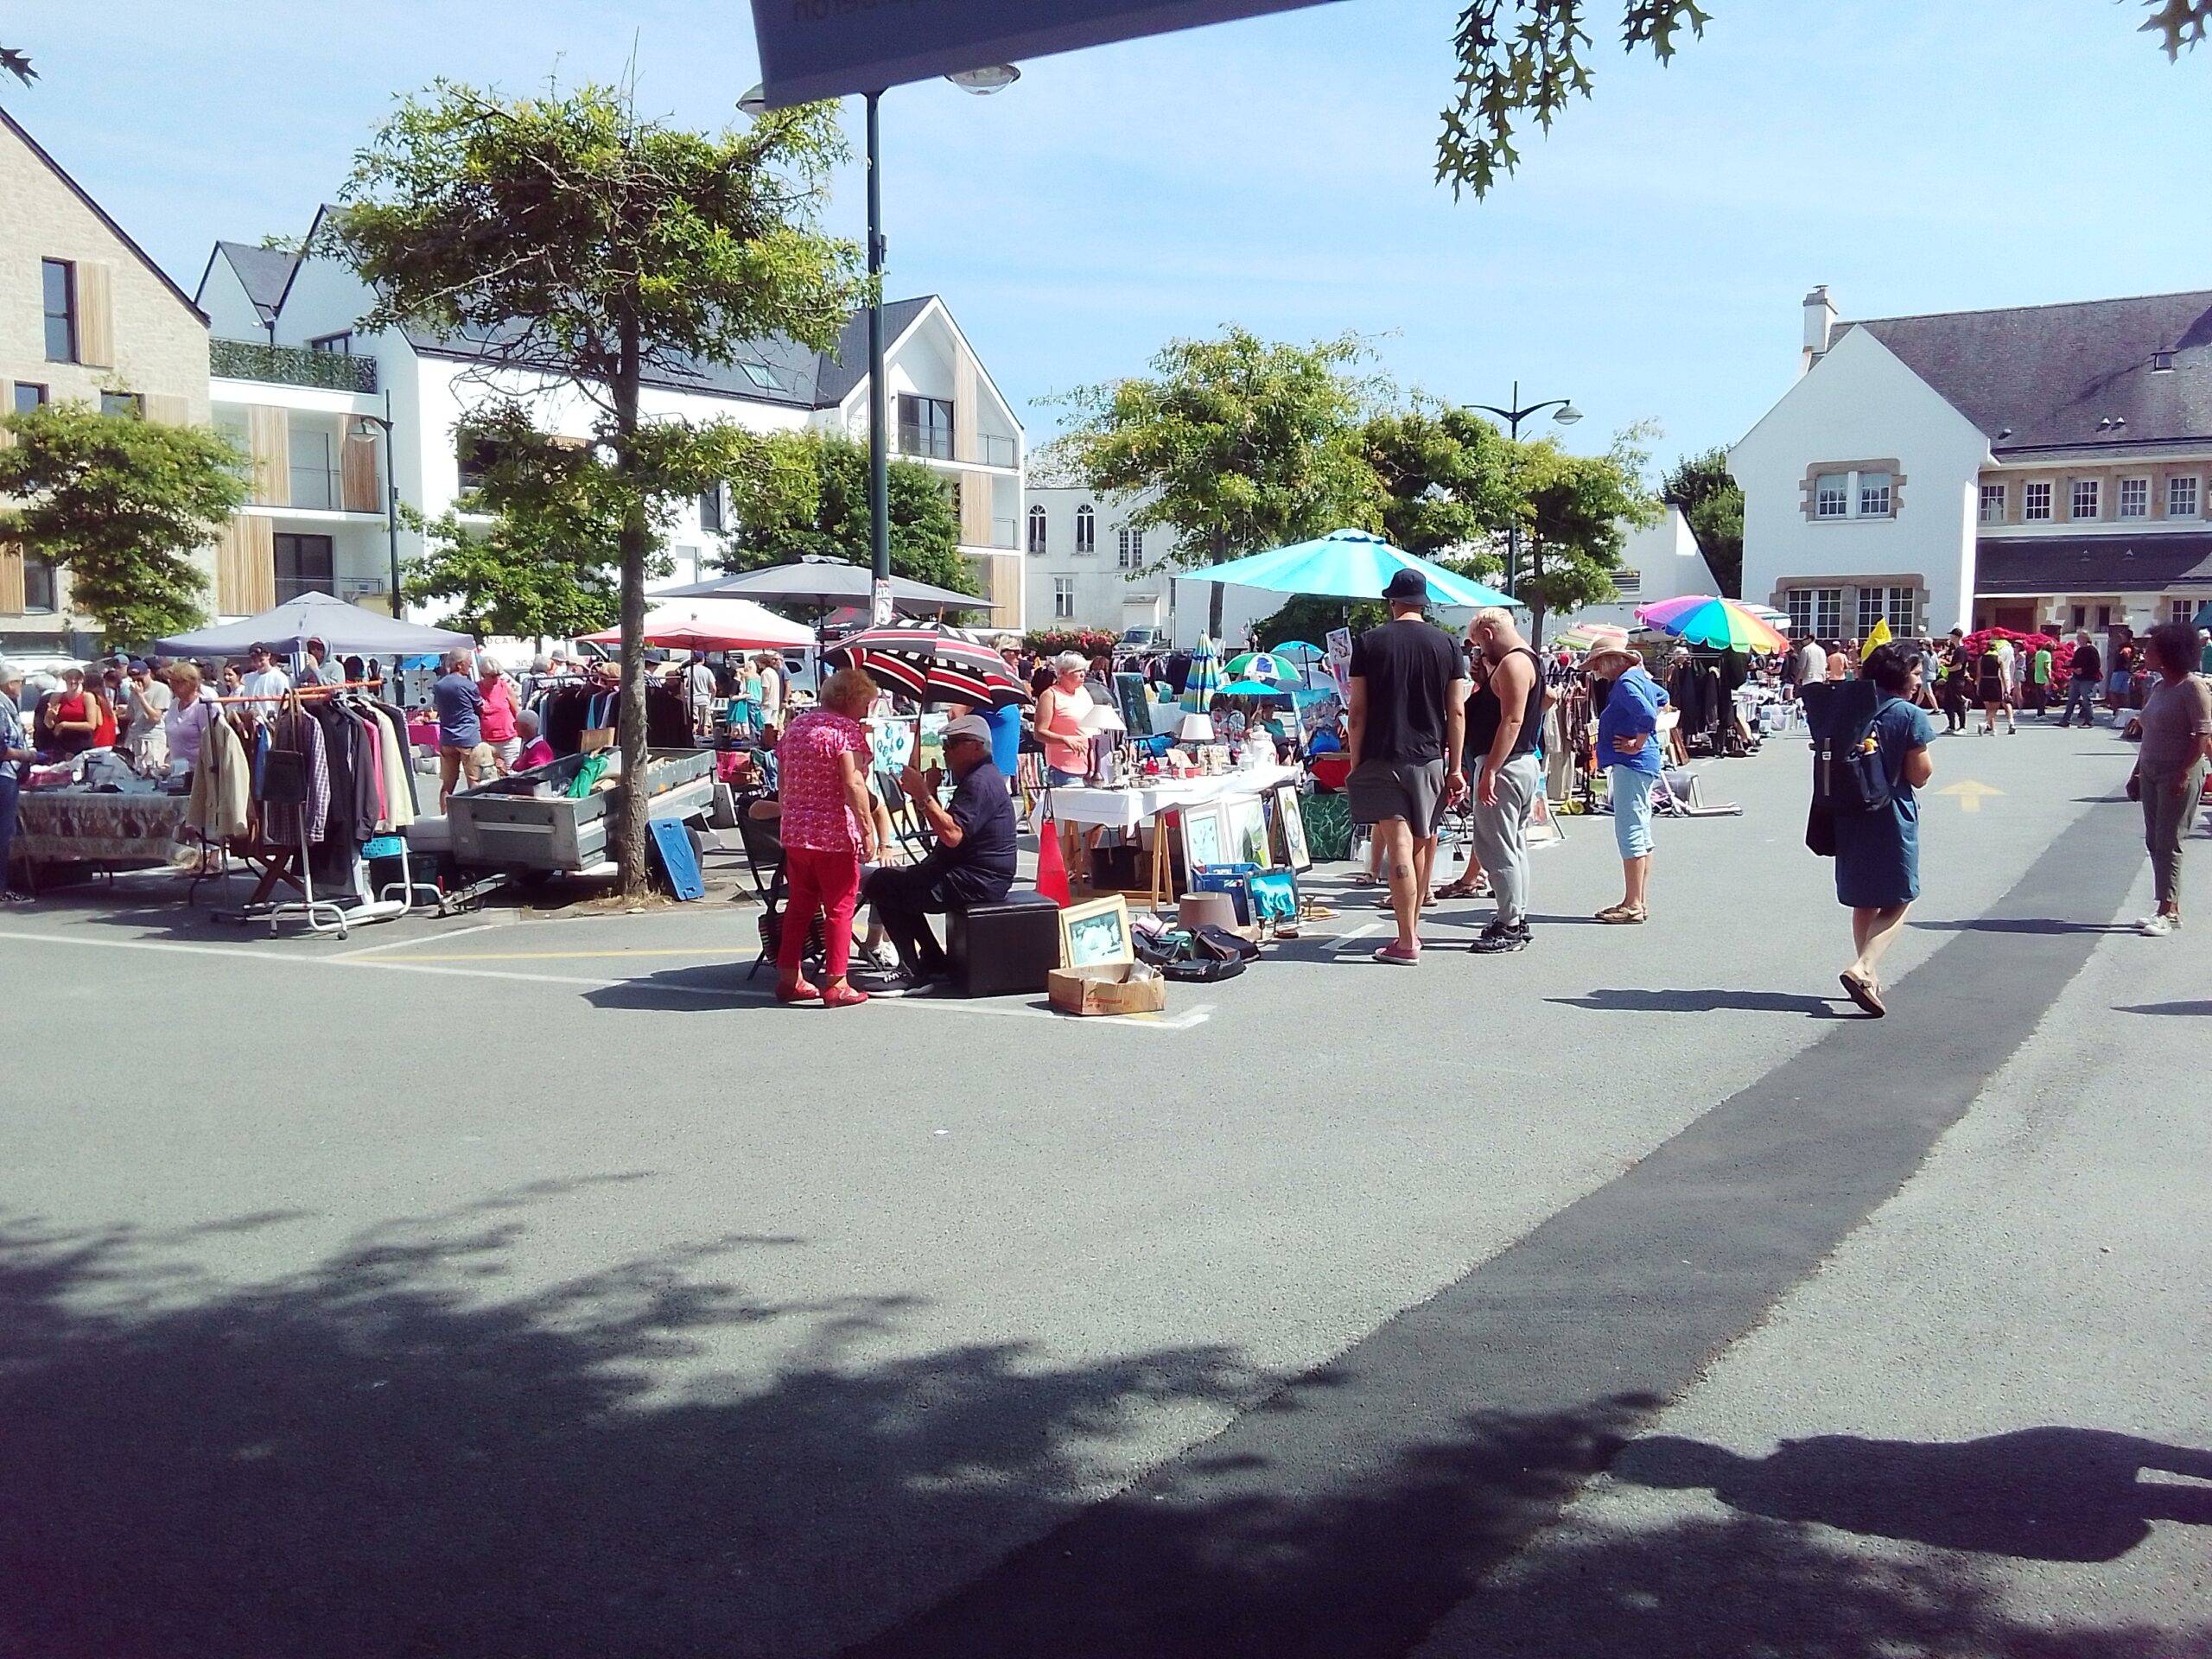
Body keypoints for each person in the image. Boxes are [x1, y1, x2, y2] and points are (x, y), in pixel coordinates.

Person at [1345, 569, 1468, 967]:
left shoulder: (1369, 642)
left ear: (1393, 602)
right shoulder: (1449, 645)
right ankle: (1410, 932)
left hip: (1381, 754)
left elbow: (1357, 712)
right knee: (1420, 840)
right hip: (1429, 757)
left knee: (1398, 843)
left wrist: (1355, 762)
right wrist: (1455, 766)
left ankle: (1406, 939)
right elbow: (1456, 711)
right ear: (1424, 603)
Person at [855, 714, 1017, 989]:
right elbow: (949, 829)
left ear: (976, 746)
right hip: (968, 872)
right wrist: (929, 792)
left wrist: (922, 795)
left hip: (978, 879)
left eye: (953, 744)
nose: (945, 750)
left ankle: (911, 970)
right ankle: (931, 957)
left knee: (884, 884)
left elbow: (952, 835)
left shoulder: (980, 782)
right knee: (896, 880)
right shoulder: (979, 777)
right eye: (945, 743)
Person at [1833, 643, 1936, 1018]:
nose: (1920, 679)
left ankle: (1870, 975)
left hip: (1848, 812)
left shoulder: (1849, 707)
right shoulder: (1908, 714)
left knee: (1864, 898)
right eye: (1916, 673)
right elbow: (1918, 775)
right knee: (1899, 897)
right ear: (1901, 676)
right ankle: (1862, 968)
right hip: (1891, 813)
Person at [772, 665, 880, 1007]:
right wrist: (867, 829)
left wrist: (789, 813)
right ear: (852, 700)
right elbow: (853, 783)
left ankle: (790, 977)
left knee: (799, 906)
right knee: (839, 906)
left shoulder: (797, 726)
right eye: (865, 703)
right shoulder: (844, 732)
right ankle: (836, 981)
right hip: (833, 831)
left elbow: (784, 781)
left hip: (796, 830)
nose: (867, 710)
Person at [1465, 606, 1543, 955]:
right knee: (1512, 845)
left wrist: (1491, 769)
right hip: (1519, 763)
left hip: (1507, 764)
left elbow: (1511, 720)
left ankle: (1510, 923)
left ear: (1488, 634)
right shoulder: (1526, 661)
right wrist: (1484, 682)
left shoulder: (1513, 662)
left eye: (1477, 643)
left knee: (1496, 848)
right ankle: (1515, 916)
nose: (1477, 650)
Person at [2125, 621, 2212, 937]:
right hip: (2151, 770)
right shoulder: (2160, 687)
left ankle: (2169, 912)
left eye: (2151, 648)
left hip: (2178, 772)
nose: (2145, 652)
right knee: (2154, 841)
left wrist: (2184, 772)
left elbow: (2202, 734)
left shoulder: (2193, 687)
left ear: (2170, 653)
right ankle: (2163, 904)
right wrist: (2136, 773)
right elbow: (2149, 732)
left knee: (2170, 841)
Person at [1588, 643, 1668, 923]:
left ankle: (1633, 903)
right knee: (1641, 829)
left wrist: (1637, 742)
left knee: (1630, 829)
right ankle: (1637, 900)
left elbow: (1647, 714)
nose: (1596, 671)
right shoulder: (1637, 678)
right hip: (1642, 762)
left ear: (1611, 661)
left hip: (1632, 761)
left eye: (1598, 663)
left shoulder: (1624, 683)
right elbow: (1662, 697)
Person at [432, 650, 487, 810]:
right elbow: (480, 708)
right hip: (468, 736)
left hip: (447, 738)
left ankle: (444, 816)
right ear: (460, 664)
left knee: (448, 784)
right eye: (468, 663)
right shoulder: (469, 685)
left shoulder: (439, 685)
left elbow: (438, 707)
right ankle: (474, 815)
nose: (470, 666)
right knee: (473, 781)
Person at [0, 661, 35, 903]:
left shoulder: (7, 706)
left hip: (8, 775)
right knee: (3, 834)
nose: (21, 687)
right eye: (20, 682)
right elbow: (2, 749)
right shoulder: (1, 708)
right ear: (9, 684)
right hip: (4, 776)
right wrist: (26, 755)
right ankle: (1, 889)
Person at [1033, 652, 1093, 786]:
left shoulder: (1083, 692)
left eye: (1084, 670)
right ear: (1063, 673)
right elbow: (1039, 732)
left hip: (1090, 766)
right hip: (1065, 769)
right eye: (1078, 671)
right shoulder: (1050, 696)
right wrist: (1064, 739)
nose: (1083, 675)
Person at [161, 662, 217, 778]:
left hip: (200, 774)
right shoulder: (174, 704)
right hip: (178, 771)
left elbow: (212, 743)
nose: (172, 686)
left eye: (176, 682)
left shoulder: (203, 707)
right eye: (171, 681)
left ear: (189, 683)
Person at [121, 658, 171, 769]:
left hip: (152, 738)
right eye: (133, 680)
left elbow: (155, 717)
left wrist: (141, 696)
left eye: (140, 679)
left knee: (151, 772)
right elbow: (131, 715)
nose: (137, 683)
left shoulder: (161, 689)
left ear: (148, 673)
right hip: (135, 737)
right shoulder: (133, 691)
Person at [477, 654, 520, 773]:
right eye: (492, 676)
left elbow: (516, 711)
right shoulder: (476, 689)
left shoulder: (505, 687)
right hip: (486, 741)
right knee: (487, 775)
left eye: (498, 675)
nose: (496, 679)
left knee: (513, 774)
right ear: (482, 674)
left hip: (509, 740)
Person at [2057, 631, 2101, 728]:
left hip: (2088, 678)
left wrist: (2083, 670)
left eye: (2080, 637)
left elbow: (2096, 665)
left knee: (2086, 699)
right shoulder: (2079, 650)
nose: (2078, 639)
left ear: (2086, 638)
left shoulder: (2092, 650)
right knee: (2071, 699)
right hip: (2077, 678)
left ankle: (2089, 721)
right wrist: (2070, 665)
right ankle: (2065, 720)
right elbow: (2076, 663)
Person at [239, 643, 292, 716]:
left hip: (274, 721)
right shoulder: (249, 679)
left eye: (261, 660)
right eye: (255, 661)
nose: (258, 664)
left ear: (268, 656)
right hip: (254, 721)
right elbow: (247, 702)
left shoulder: (280, 677)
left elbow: (285, 703)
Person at [1975, 637, 2012, 735]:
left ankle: (1992, 729)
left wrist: (1978, 686)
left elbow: (1979, 674)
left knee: (1988, 708)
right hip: (1994, 681)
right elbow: (2003, 674)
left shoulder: (1981, 658)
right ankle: (1985, 723)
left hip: (1984, 682)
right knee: (1995, 708)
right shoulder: (1999, 658)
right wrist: (2005, 689)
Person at [2028, 638, 2053, 718]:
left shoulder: (2038, 653)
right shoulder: (2047, 655)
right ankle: (2041, 713)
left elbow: (2033, 662)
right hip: (2044, 677)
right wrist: (2049, 679)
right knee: (2044, 696)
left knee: (2039, 696)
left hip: (2037, 676)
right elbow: (2046, 667)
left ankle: (2040, 713)